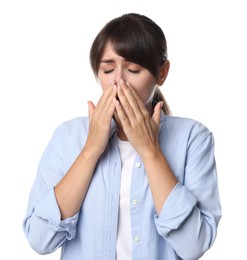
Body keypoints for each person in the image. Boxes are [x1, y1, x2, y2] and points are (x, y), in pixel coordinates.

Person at [23, 13, 221, 260]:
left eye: (133, 69)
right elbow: (40, 239)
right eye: (107, 69)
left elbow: (194, 246)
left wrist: (150, 152)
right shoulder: (67, 137)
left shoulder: (193, 138)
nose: (118, 82)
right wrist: (91, 150)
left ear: (162, 73)